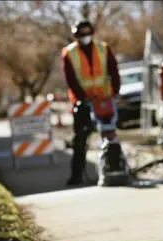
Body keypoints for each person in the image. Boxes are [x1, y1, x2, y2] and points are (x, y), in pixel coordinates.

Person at [61, 20, 121, 186]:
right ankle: (76, 175)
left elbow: (113, 70)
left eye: (87, 33)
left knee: (110, 134)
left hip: (104, 100)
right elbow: (71, 79)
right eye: (81, 34)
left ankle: (115, 166)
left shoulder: (103, 48)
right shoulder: (69, 52)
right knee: (80, 139)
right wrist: (81, 98)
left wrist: (116, 91)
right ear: (76, 35)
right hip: (83, 103)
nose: (85, 37)